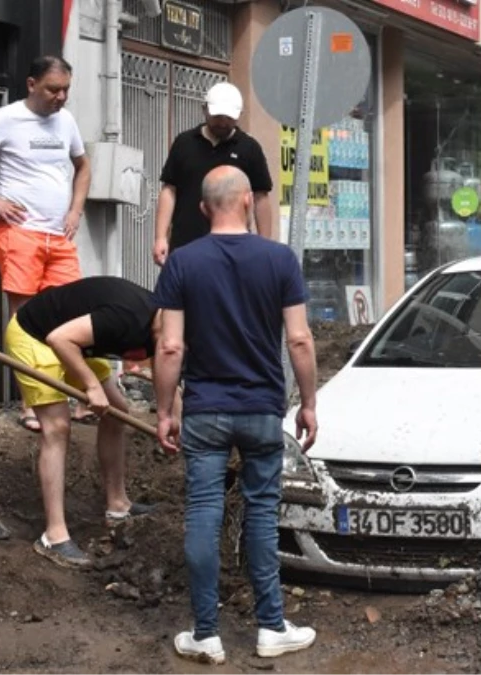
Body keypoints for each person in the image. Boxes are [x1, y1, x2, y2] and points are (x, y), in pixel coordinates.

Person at [153, 165, 318, 663]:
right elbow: (299, 339)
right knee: (262, 513)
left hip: (204, 409)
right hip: (262, 408)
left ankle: (206, 633)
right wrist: (309, 403)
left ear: (203, 208)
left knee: (203, 512)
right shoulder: (279, 259)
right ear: (248, 201)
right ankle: (271, 627)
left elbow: (170, 347)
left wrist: (164, 410)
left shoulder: (182, 262)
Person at [0, 55, 94, 432]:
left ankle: (79, 399)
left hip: (59, 235)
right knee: (25, 319)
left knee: (72, 316)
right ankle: (31, 404)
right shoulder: (7, 118)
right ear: (31, 85)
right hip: (21, 234)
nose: (61, 97)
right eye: (53, 89)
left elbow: (83, 165)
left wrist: (76, 210)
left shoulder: (66, 121)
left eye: (66, 90)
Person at [6, 275, 163, 569]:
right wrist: (91, 386)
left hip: (72, 341)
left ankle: (118, 505)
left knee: (117, 411)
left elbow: (168, 377)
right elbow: (58, 339)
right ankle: (54, 536)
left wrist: (173, 418)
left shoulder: (167, 330)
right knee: (57, 427)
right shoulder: (128, 317)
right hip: (35, 334)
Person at [151, 81, 274, 267]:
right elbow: (169, 190)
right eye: (217, 116)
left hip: (234, 252)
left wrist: (265, 245)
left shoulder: (249, 148)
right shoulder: (184, 143)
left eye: (228, 118)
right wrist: (160, 237)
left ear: (239, 115)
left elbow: (261, 197)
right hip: (186, 244)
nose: (223, 123)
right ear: (205, 110)